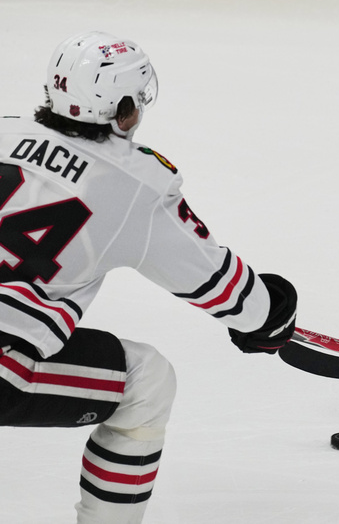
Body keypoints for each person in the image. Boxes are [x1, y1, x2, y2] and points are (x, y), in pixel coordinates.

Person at [0, 31, 298, 523]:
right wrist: (269, 314)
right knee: (146, 380)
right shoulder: (135, 184)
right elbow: (225, 291)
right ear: (122, 109)